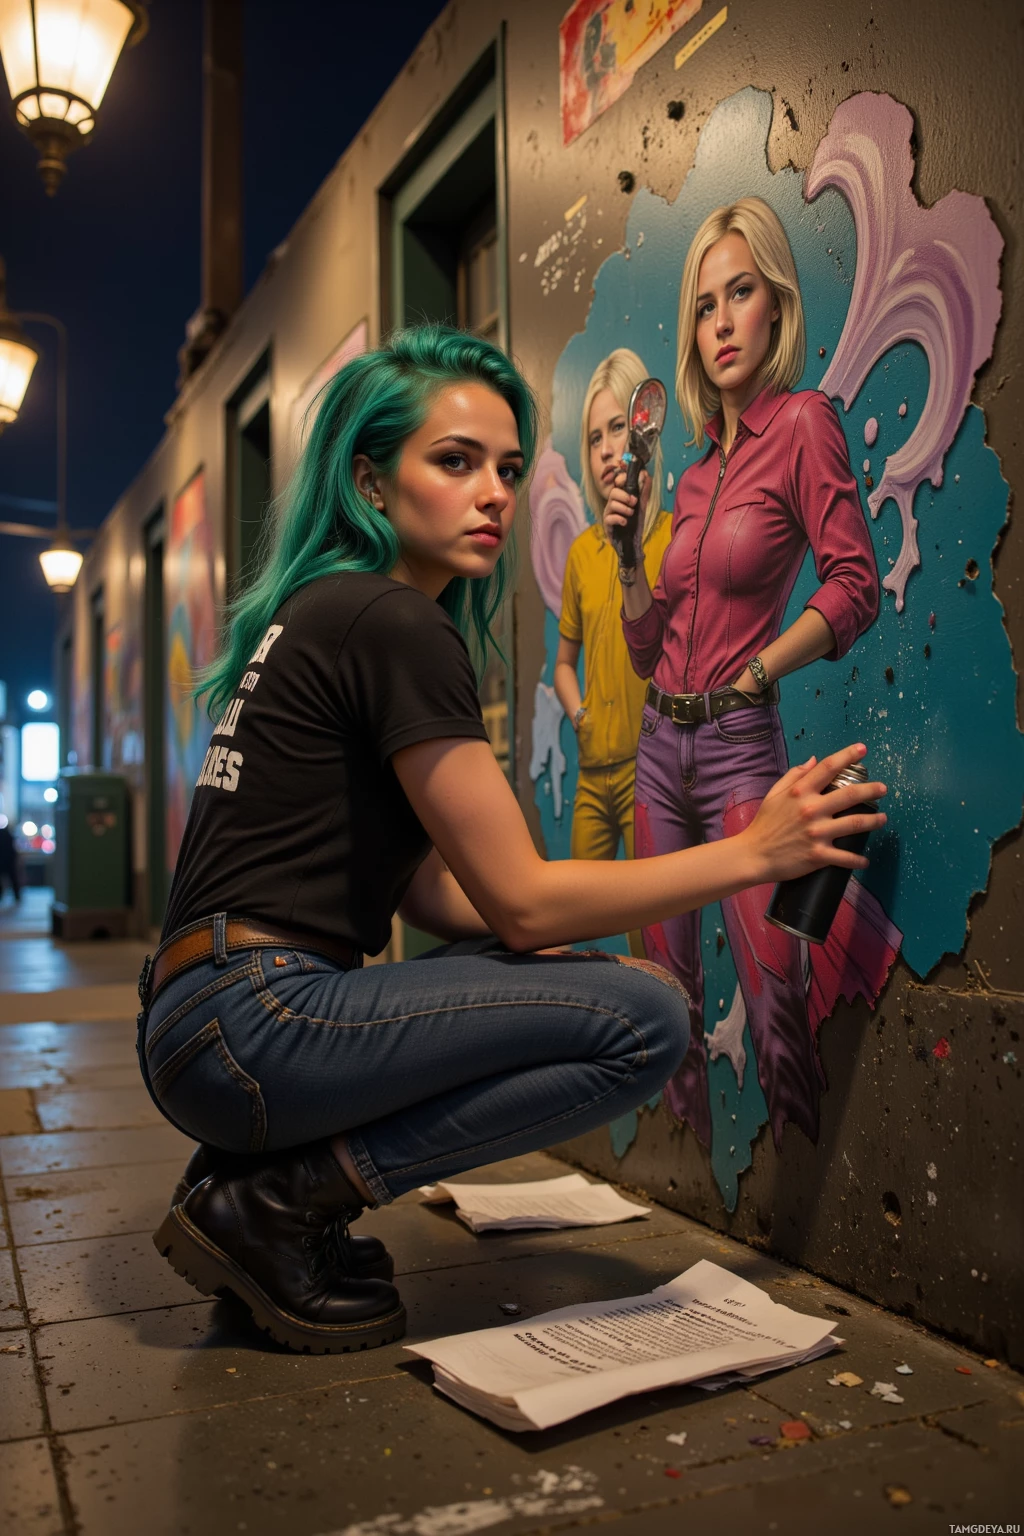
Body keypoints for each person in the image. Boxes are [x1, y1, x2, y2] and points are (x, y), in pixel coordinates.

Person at [140, 324, 885, 1356]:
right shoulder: (393, 622)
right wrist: (754, 853)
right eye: (452, 463)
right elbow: (521, 898)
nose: (491, 492)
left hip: (207, 1023)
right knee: (646, 1018)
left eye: (504, 467)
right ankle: (279, 1201)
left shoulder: (327, 612)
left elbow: (452, 899)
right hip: (255, 1024)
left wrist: (551, 949)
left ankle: (256, 1188)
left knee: (560, 965)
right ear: (369, 483)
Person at [604, 197, 880, 1152]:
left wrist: (764, 668)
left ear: (776, 308)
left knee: (774, 998)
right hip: (655, 754)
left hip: (734, 752)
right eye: (704, 305)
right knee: (661, 1000)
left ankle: (803, 1213)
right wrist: (629, 555)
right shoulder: (684, 477)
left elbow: (855, 586)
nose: (720, 322)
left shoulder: (804, 425)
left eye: (741, 293)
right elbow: (646, 649)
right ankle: (681, 1202)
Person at [554, 349, 673, 957]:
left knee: (648, 941)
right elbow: (563, 664)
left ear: (644, 428)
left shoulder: (674, 535)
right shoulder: (578, 554)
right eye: (594, 436)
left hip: (648, 772)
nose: (605, 449)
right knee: (567, 930)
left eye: (617, 429)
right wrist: (578, 716)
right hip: (592, 776)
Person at [0, 820, 20, 903]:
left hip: (3, 861)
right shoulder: (9, 836)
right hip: (9, 861)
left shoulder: (4, 836)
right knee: (13, 879)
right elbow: (13, 850)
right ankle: (17, 895)